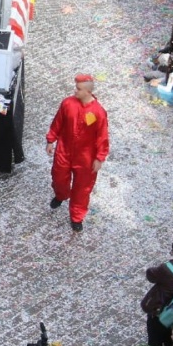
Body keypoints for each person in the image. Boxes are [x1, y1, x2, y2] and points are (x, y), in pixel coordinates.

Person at [45, 75, 110, 232]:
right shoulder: (67, 103)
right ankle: (61, 195)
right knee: (58, 178)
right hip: (64, 151)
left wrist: (99, 158)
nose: (75, 91)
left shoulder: (98, 112)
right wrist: (51, 139)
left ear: (88, 91)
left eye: (79, 89)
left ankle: (77, 216)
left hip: (86, 157)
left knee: (82, 188)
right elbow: (58, 122)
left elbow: (102, 137)